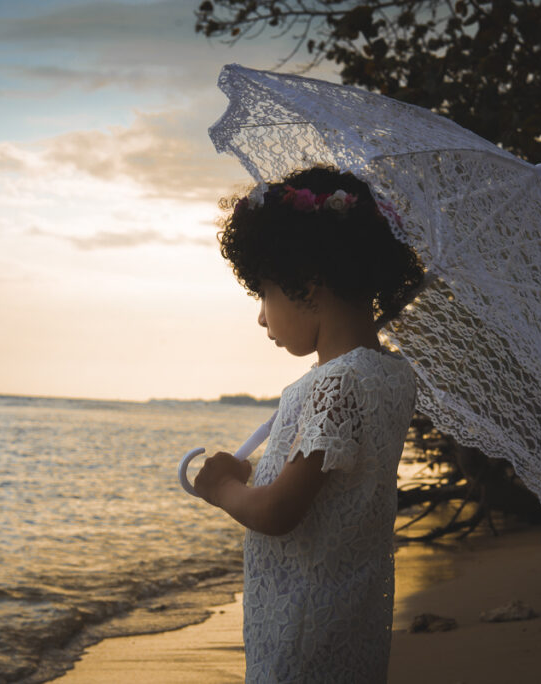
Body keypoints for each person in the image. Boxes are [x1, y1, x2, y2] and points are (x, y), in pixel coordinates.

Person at [193, 166, 425, 683]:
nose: (261, 317)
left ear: (310, 286)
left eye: (266, 292)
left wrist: (224, 488)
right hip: (352, 622)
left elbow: (279, 511)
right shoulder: (390, 376)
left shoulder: (337, 385)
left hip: (303, 633)